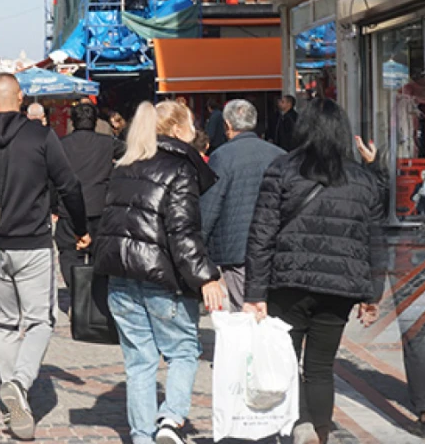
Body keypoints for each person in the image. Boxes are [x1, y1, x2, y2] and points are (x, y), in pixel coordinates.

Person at [244, 98, 386, 444]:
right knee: (321, 367)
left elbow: (261, 234)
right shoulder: (363, 180)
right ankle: (320, 432)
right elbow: (375, 241)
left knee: (286, 361)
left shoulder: (281, 169)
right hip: (340, 287)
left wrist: (254, 294)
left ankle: (300, 424)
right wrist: (372, 294)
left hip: (287, 282)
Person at [0, 74, 88, 441]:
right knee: (41, 320)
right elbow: (69, 185)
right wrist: (80, 228)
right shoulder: (39, 136)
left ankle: (17, 404)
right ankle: (19, 383)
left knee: (5, 324)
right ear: (20, 97)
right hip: (32, 242)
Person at [95, 101, 225, 444]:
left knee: (139, 363)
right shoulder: (179, 169)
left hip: (121, 276)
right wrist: (206, 277)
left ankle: (142, 436)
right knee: (183, 351)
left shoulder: (125, 165)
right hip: (161, 279)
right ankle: (170, 420)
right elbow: (183, 232)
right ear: (180, 130)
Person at [199, 100, 283, 312]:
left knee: (243, 310)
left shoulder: (222, 156)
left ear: (227, 125)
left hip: (236, 247)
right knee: (270, 310)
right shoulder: (279, 155)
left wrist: (199, 245)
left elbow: (210, 206)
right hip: (274, 245)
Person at [55, 102, 124, 290]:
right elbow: (130, 153)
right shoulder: (108, 143)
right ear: (95, 122)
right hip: (99, 206)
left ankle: (77, 292)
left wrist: (53, 205)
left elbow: (51, 176)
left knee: (69, 254)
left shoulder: (61, 145)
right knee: (99, 255)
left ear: (73, 122)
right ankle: (96, 296)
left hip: (68, 208)